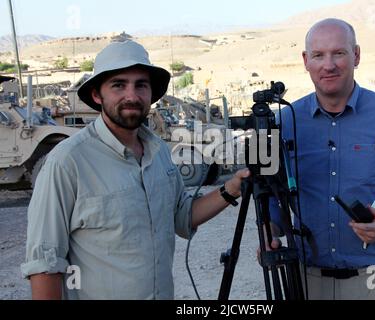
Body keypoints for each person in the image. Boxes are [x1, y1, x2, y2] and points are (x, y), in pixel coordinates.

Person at [21, 40, 249, 300]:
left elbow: (182, 216)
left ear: (151, 94)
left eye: (141, 85)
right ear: (97, 95)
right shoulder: (67, 162)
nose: (132, 95)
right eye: (119, 85)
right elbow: (45, 264)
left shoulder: (160, 152)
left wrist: (232, 188)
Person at [269, 18, 375, 300]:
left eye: (339, 53)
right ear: (305, 60)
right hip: (306, 280)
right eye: (318, 55)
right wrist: (270, 230)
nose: (329, 65)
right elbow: (272, 194)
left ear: (356, 55)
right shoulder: (285, 122)